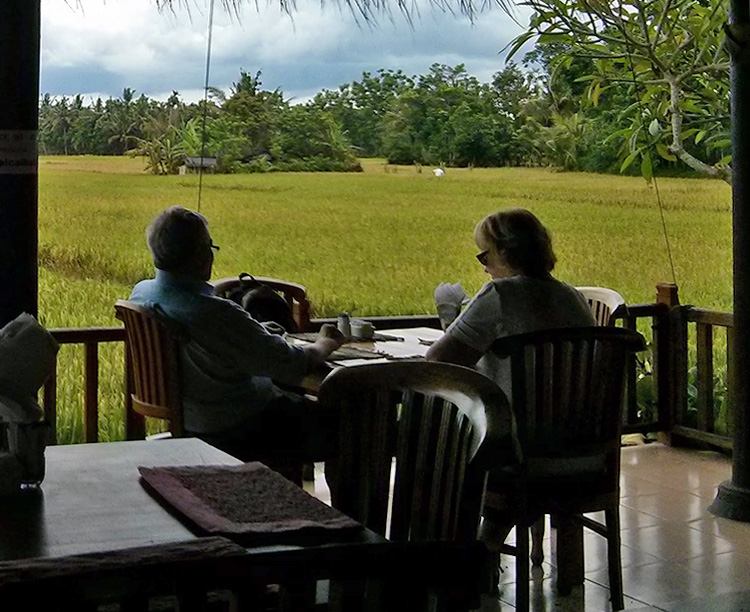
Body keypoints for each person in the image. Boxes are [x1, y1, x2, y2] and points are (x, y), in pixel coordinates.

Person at [129, 205, 345, 480]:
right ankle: (349, 516)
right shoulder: (214, 312)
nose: (211, 254)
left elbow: (221, 342)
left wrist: (254, 332)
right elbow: (290, 364)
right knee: (347, 428)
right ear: (197, 255)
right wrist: (325, 343)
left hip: (191, 419)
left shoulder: (142, 292)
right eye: (209, 247)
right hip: (237, 427)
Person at [426, 207, 595, 397]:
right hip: (576, 423)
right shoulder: (573, 296)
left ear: (504, 254)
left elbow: (438, 360)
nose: (485, 269)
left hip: (511, 422)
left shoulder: (500, 294)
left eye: (484, 257)